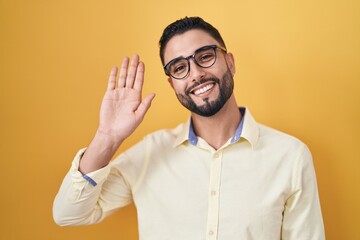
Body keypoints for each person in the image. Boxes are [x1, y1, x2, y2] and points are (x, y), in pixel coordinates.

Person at [53, 16, 325, 239]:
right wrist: (107, 137)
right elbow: (68, 214)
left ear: (230, 62)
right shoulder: (150, 153)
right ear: (172, 84)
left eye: (205, 56)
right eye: (179, 67)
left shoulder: (290, 156)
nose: (196, 74)